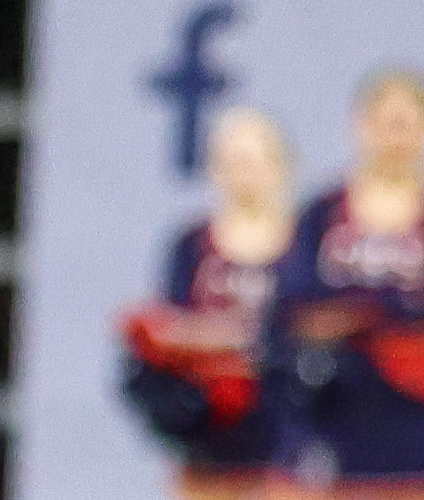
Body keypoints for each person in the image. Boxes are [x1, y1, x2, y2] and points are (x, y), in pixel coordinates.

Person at [279, 66, 424, 497]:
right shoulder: (320, 213)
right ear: (360, 124)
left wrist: (351, 314)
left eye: (408, 124)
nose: (396, 135)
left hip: (419, 423)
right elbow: (294, 302)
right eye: (385, 122)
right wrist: (393, 307)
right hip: (329, 413)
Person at [122, 102, 299, 497]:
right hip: (207, 444)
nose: (246, 173)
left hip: (287, 444)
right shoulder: (192, 245)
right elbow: (170, 332)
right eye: (234, 161)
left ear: (282, 167)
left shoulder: (304, 246)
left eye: (256, 161)